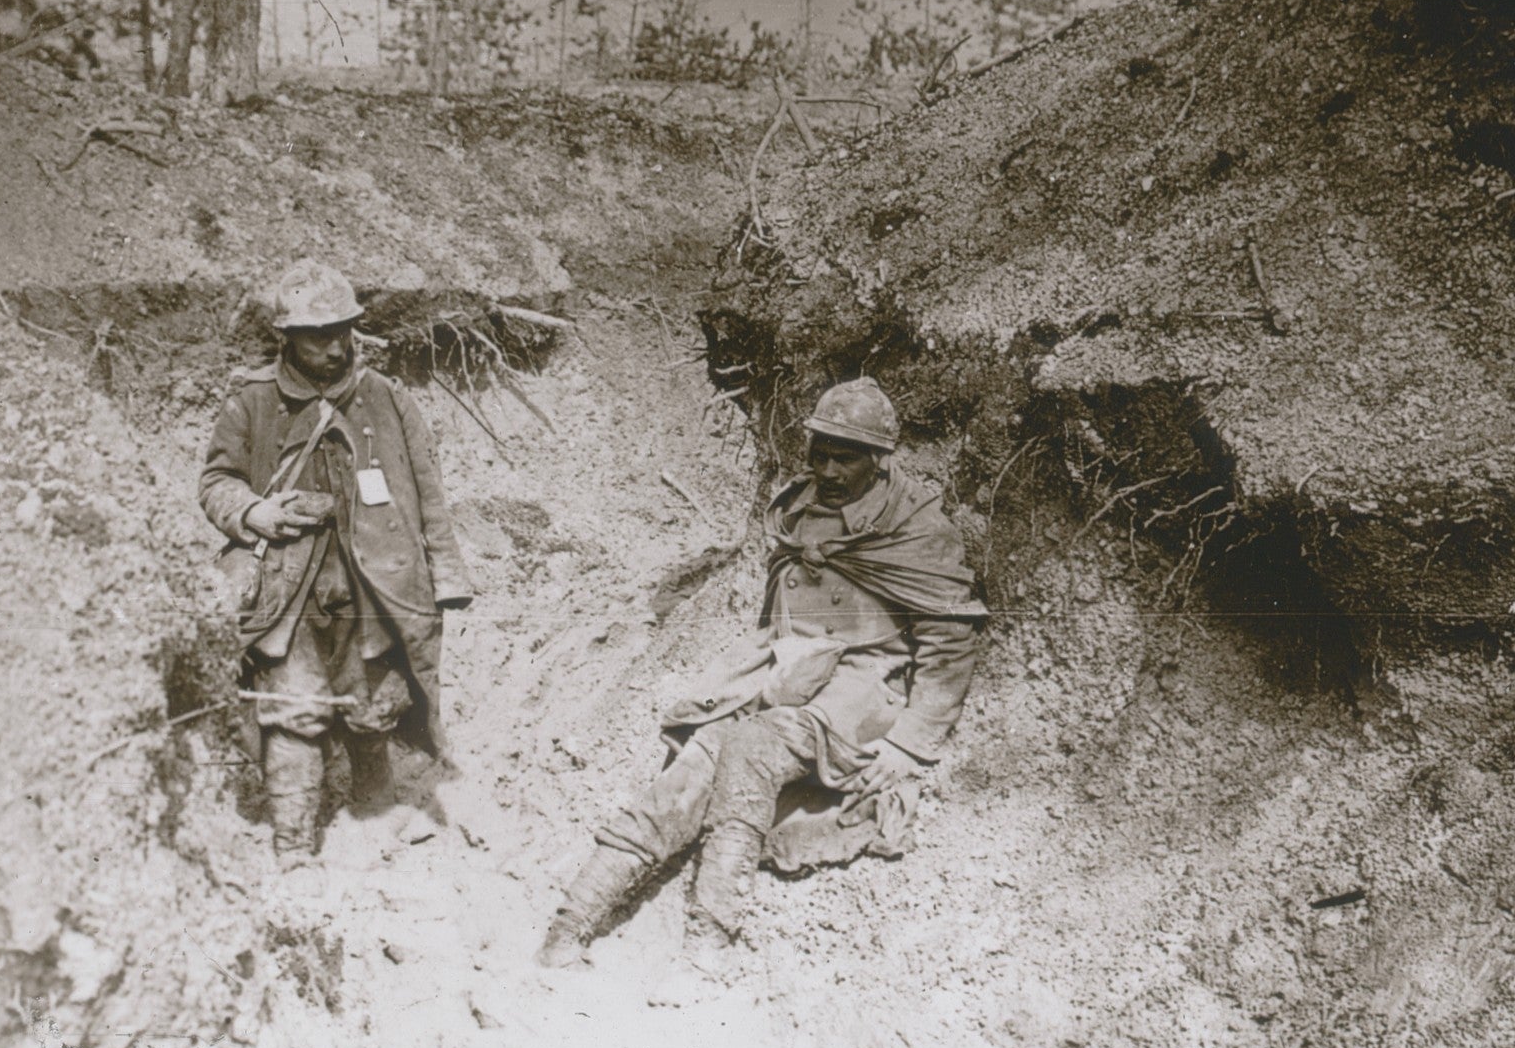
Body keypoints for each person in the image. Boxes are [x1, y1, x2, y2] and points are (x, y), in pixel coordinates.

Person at [539, 376, 985, 973]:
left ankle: (710, 935)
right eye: (818, 452)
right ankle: (569, 925)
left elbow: (951, 639)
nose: (826, 469)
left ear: (879, 460)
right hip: (789, 670)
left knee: (751, 748)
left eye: (844, 458)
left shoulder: (918, 527)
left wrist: (909, 744)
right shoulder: (799, 507)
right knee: (699, 757)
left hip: (860, 689)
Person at [200, 260, 472, 868]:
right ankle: (294, 850)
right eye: (318, 334)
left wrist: (447, 578)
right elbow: (216, 480)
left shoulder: (386, 399)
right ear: (287, 338)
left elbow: (428, 491)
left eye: (343, 330)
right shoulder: (251, 402)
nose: (334, 345)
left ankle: (371, 818)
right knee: (293, 713)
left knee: (374, 703)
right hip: (285, 590)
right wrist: (254, 514)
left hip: (372, 584)